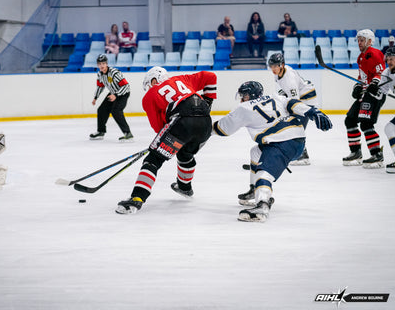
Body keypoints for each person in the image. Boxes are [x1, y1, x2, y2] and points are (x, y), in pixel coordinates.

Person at [213, 81, 332, 222]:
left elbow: (223, 128)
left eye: (244, 95)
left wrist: (202, 130)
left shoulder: (243, 108)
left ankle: (262, 206)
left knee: (264, 174)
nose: (241, 98)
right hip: (297, 139)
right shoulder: (274, 97)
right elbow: (293, 103)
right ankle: (254, 190)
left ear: (250, 95)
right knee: (255, 153)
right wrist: (313, 112)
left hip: (282, 142)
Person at [115, 67, 217, 214]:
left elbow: (159, 127)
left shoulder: (150, 96)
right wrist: (207, 103)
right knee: (185, 154)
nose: (149, 88)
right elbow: (210, 76)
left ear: (154, 79)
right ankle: (184, 187)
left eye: (149, 84)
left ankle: (137, 199)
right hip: (206, 123)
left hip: (181, 122)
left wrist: (167, 143)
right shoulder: (183, 80)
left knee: (153, 160)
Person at [343, 29, 386, 168]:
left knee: (366, 124)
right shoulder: (360, 57)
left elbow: (381, 72)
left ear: (369, 41)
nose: (359, 42)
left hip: (375, 94)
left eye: (362, 40)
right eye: (359, 40)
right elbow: (362, 77)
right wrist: (357, 87)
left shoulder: (375, 53)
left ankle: (377, 155)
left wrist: (375, 83)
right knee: (350, 120)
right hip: (366, 93)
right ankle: (356, 152)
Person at [268, 52, 317, 165]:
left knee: (296, 127)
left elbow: (295, 102)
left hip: (306, 101)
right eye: (272, 66)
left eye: (276, 66)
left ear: (282, 65)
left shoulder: (289, 79)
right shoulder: (279, 73)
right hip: (300, 96)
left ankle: (303, 156)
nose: (273, 69)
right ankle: (298, 152)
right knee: (292, 126)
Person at [89, 54, 133, 141]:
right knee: (101, 110)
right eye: (99, 64)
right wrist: (95, 97)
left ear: (106, 64)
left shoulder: (114, 73)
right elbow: (100, 86)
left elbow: (126, 86)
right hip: (113, 93)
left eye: (103, 63)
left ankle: (128, 133)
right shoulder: (100, 74)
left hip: (123, 93)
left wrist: (116, 95)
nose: (101, 66)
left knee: (116, 111)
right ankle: (101, 132)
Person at [379, 47, 395, 173]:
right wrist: (372, 89)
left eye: (392, 59)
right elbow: (382, 92)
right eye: (388, 59)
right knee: (389, 128)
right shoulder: (386, 73)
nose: (389, 61)